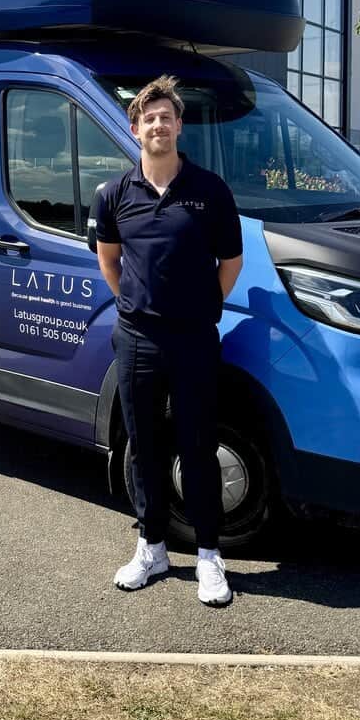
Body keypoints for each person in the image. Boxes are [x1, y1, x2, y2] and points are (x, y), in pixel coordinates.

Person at [94, 75, 243, 607]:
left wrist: (204, 309)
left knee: (198, 446)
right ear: (135, 129)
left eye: (167, 117)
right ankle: (151, 547)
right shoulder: (114, 196)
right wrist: (136, 307)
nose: (158, 125)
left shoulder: (210, 192)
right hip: (136, 340)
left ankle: (208, 556)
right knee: (143, 447)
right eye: (148, 118)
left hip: (194, 340)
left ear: (179, 126)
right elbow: (109, 262)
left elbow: (232, 263)